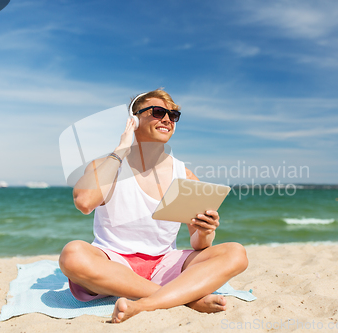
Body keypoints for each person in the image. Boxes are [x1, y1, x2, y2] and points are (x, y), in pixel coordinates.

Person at [59, 89, 248, 323]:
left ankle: (148, 302)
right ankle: (186, 299)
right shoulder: (106, 165)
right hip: (114, 264)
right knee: (72, 255)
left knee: (236, 253)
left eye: (173, 115)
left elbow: (198, 245)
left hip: (164, 264)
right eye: (158, 112)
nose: (167, 119)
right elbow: (84, 202)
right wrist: (120, 149)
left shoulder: (184, 175)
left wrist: (206, 231)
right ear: (134, 120)